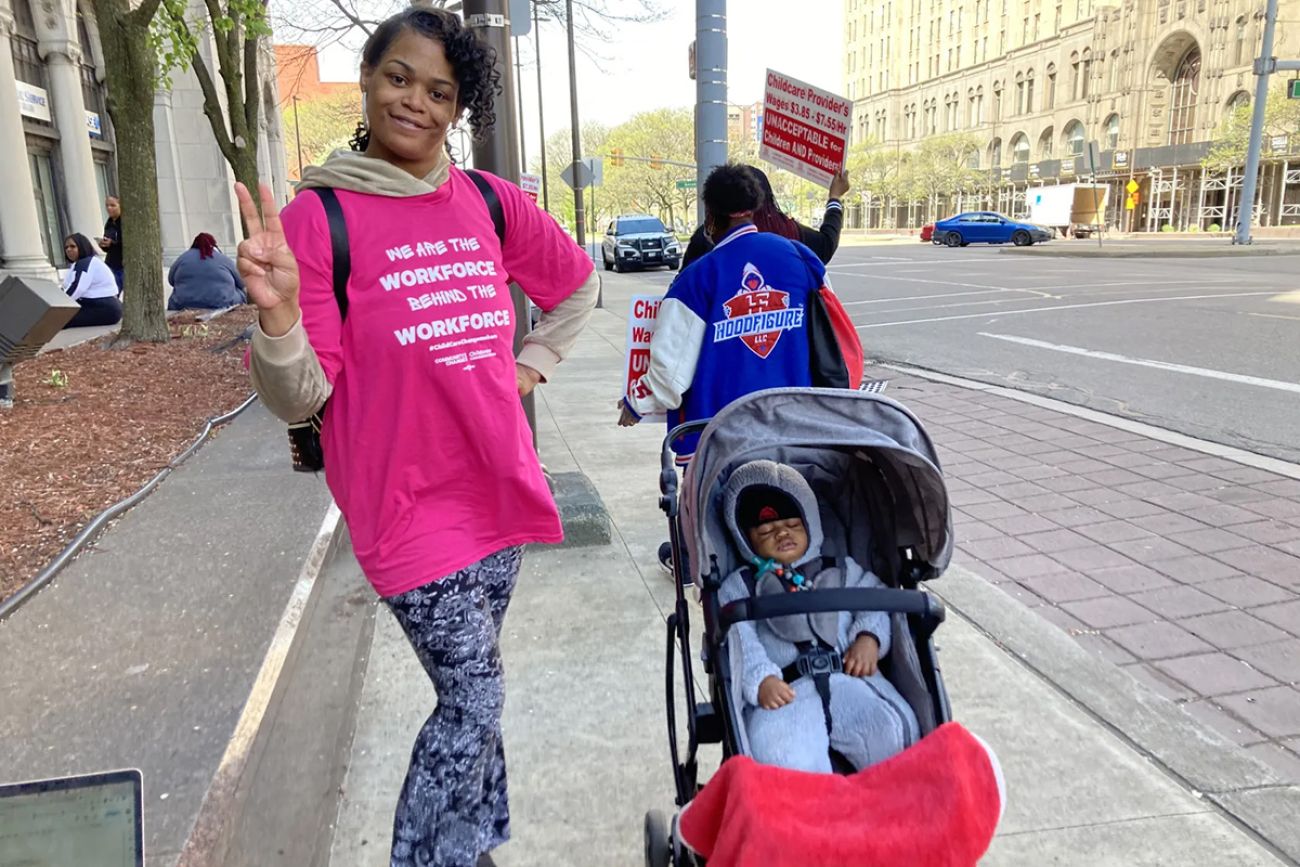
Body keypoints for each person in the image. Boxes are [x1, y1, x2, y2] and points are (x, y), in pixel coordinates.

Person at [240, 8, 597, 867]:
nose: (418, 103)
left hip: (497, 487)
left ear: (457, 108)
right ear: (368, 80)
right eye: (400, 78)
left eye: (441, 92)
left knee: (478, 691)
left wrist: (528, 364)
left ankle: (475, 844)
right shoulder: (320, 217)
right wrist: (281, 314)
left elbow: (577, 286)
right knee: (473, 696)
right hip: (405, 507)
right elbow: (299, 398)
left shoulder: (487, 200)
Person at [617, 163, 857, 463]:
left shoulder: (696, 278)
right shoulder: (801, 257)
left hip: (721, 442)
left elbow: (670, 370)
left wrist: (635, 403)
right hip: (796, 430)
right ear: (754, 207)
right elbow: (832, 333)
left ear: (711, 214)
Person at [718, 460, 918, 774]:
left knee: (894, 728)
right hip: (786, 689)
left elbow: (876, 598)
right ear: (745, 538)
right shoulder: (740, 585)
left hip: (850, 676)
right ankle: (815, 811)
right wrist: (759, 679)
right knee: (776, 752)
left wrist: (869, 638)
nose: (782, 533)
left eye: (793, 525)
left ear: (811, 523)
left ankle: (890, 801)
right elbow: (738, 638)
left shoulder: (842, 568)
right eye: (766, 530)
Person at [681, 166, 850, 270]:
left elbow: (680, 295)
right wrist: (834, 197)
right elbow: (827, 244)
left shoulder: (706, 242)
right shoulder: (791, 236)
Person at [168, 232, 247, 310]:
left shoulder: (183, 258)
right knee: (241, 292)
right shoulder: (223, 259)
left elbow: (171, 280)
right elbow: (241, 282)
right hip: (222, 302)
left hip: (183, 303)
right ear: (213, 245)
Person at [61, 234, 123, 328]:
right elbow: (67, 287)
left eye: (73, 246)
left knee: (60, 319)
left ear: (82, 247)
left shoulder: (86, 263)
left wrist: (58, 306)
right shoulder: (77, 264)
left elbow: (77, 288)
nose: (68, 250)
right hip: (101, 306)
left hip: (105, 308)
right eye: (66, 247)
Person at [99, 195, 124, 293]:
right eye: (107, 205)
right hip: (111, 262)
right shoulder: (109, 223)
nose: (109, 208)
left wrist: (113, 244)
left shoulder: (124, 222)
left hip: (122, 264)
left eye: (113, 205)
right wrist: (104, 245)